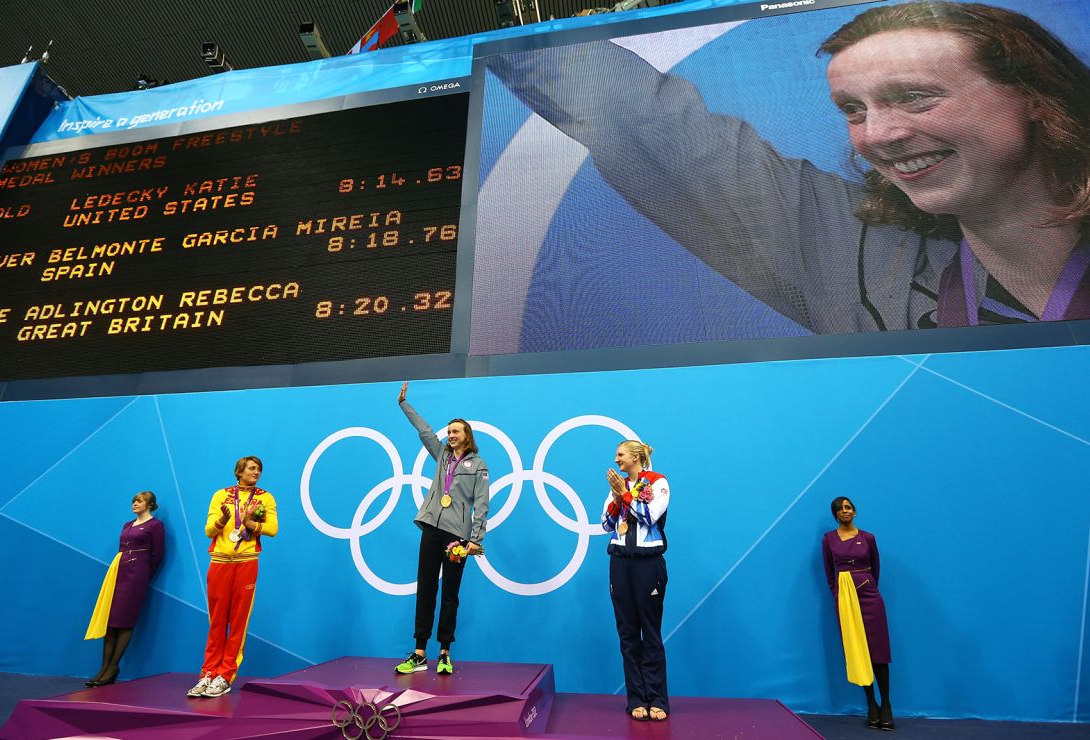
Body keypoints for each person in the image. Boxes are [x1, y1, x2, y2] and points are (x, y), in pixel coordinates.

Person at [485, 1, 1089, 338]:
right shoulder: (862, 262)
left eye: (916, 97)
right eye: (854, 110)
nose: (876, 135)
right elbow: (652, 130)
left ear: (1033, 95)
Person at [394, 381, 489, 676]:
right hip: (431, 528)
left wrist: (475, 539)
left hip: (457, 537)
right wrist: (404, 404)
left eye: (455, 432)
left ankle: (445, 651)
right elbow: (424, 431)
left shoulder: (478, 465)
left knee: (450, 593)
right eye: (448, 432)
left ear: (466, 436)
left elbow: (482, 504)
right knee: (426, 589)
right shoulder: (441, 456)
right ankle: (420, 652)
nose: (449, 435)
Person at [187, 456, 278, 699]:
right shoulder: (221, 495)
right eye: (251, 468)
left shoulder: (265, 497)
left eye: (259, 469)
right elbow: (209, 530)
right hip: (219, 562)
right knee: (217, 621)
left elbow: (273, 529)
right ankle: (207, 673)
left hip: (246, 563)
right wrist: (224, 520)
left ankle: (225, 676)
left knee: (238, 622)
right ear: (239, 471)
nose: (256, 472)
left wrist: (250, 522)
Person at [600, 440, 670, 722]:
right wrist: (617, 499)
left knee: (650, 633)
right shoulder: (616, 486)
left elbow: (650, 517)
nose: (616, 460)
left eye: (620, 455)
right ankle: (636, 699)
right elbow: (605, 525)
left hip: (648, 565)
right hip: (619, 563)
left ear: (635, 457)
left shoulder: (658, 482)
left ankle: (658, 699)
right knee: (627, 635)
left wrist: (625, 496)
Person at [821, 497, 893, 731]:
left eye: (848, 507)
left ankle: (887, 705)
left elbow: (876, 567)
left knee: (878, 652)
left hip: (870, 596)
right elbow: (830, 574)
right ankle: (871, 704)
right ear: (835, 514)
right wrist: (840, 596)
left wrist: (867, 586)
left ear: (855, 511)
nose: (845, 511)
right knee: (858, 651)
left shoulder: (868, 538)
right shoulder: (829, 540)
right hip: (846, 600)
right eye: (840, 509)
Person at [84, 491, 165, 686]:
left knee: (125, 621)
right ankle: (104, 668)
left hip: (136, 575)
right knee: (111, 621)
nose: (135, 504)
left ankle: (113, 666)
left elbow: (158, 554)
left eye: (140, 501)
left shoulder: (156, 525)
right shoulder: (127, 525)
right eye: (134, 501)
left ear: (150, 504)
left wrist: (144, 574)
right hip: (118, 573)